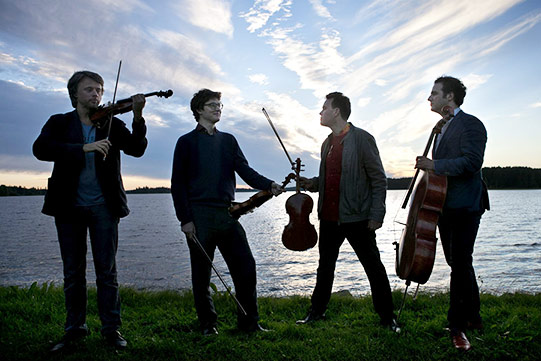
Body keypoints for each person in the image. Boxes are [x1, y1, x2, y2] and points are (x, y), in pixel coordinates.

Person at [33, 71, 148, 351]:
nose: (96, 94)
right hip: (68, 207)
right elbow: (40, 149)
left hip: (104, 208)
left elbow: (137, 149)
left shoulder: (111, 124)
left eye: (99, 90)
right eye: (89, 90)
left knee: (107, 272)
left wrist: (137, 116)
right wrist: (84, 148)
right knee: (73, 272)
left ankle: (112, 330)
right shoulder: (59, 123)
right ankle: (75, 329)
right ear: (74, 95)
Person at [171, 89, 283, 335]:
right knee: (201, 275)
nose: (218, 109)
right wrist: (185, 220)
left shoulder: (229, 140)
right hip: (198, 216)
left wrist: (268, 184)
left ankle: (249, 324)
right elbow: (177, 184)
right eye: (212, 105)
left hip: (227, 214)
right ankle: (208, 325)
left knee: (246, 268)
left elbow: (245, 170)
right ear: (199, 109)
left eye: (220, 105)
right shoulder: (185, 142)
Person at [296, 92, 399, 332]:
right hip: (329, 218)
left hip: (358, 217)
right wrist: (313, 183)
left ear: (337, 111)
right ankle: (316, 312)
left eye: (324, 108)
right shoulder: (326, 143)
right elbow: (331, 179)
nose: (320, 112)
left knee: (373, 266)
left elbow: (378, 179)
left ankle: (387, 317)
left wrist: (377, 214)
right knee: (325, 267)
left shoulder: (363, 139)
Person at [415, 76, 489, 351]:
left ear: (450, 97)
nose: (429, 98)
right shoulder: (444, 127)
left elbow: (472, 162)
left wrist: (434, 165)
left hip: (466, 204)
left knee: (459, 263)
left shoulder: (471, 123)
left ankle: (457, 327)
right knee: (459, 262)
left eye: (434, 93)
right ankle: (474, 317)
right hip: (443, 204)